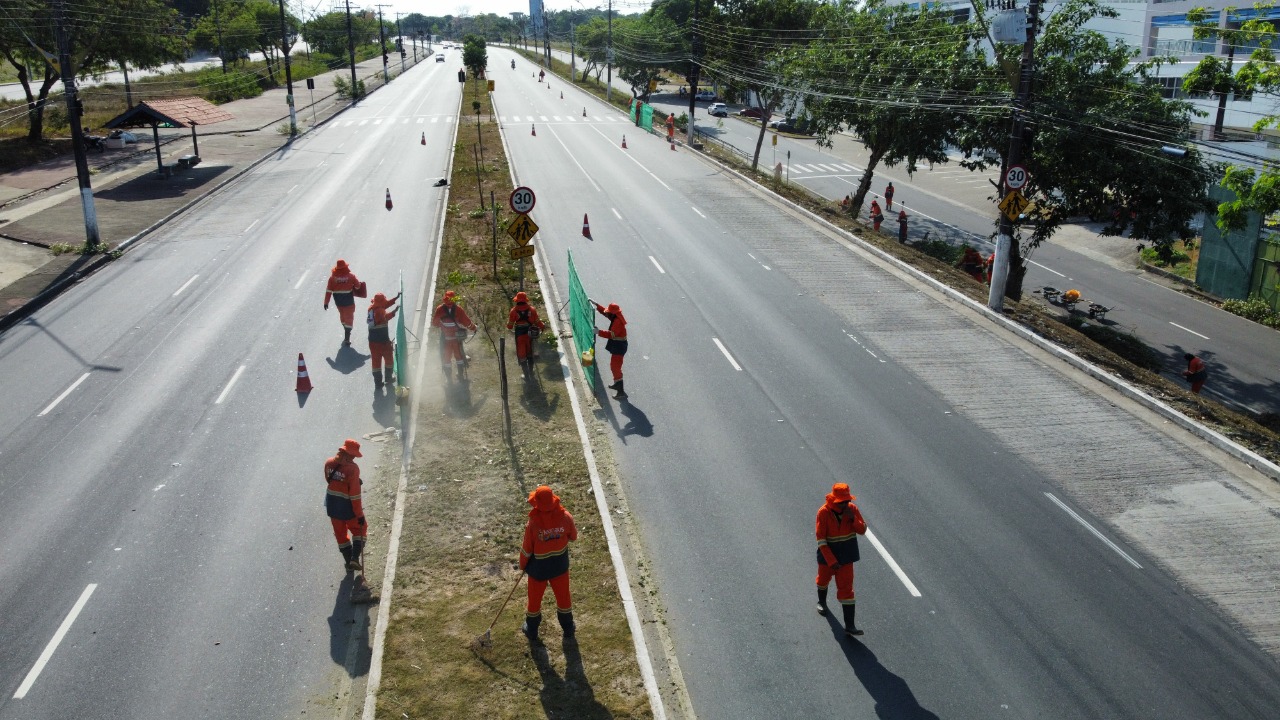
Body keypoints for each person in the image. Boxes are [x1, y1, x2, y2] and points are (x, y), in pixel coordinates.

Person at [520, 485, 578, 643]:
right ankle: (568, 629)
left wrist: (523, 564)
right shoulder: (566, 517)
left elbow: (527, 548)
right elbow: (573, 537)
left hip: (538, 570)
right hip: (560, 567)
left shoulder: (533, 523)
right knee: (564, 598)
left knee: (534, 600)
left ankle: (531, 630)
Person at [815, 482, 867, 638]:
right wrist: (831, 561)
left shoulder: (852, 510)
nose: (846, 504)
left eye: (848, 501)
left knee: (847, 590)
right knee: (823, 580)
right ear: (835, 500)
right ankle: (822, 602)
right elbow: (821, 540)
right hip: (828, 557)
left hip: (846, 558)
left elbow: (863, 530)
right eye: (843, 502)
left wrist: (853, 520)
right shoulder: (823, 513)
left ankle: (850, 626)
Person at [325, 439, 367, 573]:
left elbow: (329, 479)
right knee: (360, 528)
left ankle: (348, 562)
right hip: (347, 505)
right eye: (353, 455)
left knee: (340, 534)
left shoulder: (329, 462)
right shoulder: (353, 469)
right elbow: (355, 496)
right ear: (349, 454)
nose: (354, 457)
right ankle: (354, 558)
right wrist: (359, 515)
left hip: (332, 504)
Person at [431, 290, 477, 381]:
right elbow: (466, 322)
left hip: (445, 339)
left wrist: (442, 326)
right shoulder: (458, 309)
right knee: (459, 356)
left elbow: (435, 323)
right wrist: (474, 328)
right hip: (457, 338)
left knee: (446, 357)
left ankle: (448, 378)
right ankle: (460, 374)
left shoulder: (440, 309)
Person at [324, 259, 364, 347]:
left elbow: (328, 291)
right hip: (349, 302)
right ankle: (347, 337)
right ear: (345, 267)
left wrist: (326, 302)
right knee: (349, 318)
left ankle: (346, 329)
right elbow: (358, 286)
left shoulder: (332, 278)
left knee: (343, 317)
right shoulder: (351, 276)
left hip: (339, 303)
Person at [594, 300, 628, 400]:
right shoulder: (615, 316)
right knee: (614, 366)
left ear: (613, 313)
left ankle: (620, 390)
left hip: (619, 346)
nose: (607, 313)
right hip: (617, 344)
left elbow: (611, 334)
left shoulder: (617, 322)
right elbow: (606, 312)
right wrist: (597, 305)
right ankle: (617, 383)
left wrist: (598, 332)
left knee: (615, 367)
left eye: (609, 312)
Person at [507, 291, 545, 379]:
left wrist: (510, 323)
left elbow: (509, 326)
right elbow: (538, 322)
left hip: (519, 336)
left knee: (522, 355)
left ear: (517, 301)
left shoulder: (513, 311)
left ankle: (526, 375)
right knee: (530, 353)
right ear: (525, 301)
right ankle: (531, 372)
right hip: (530, 335)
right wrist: (543, 326)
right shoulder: (532, 310)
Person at [367, 292, 401, 389]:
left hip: (373, 342)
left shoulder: (371, 309)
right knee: (389, 359)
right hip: (383, 342)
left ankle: (378, 383)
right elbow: (386, 317)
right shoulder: (380, 311)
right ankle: (388, 378)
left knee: (376, 362)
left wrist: (395, 298)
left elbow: (385, 305)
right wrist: (394, 311)